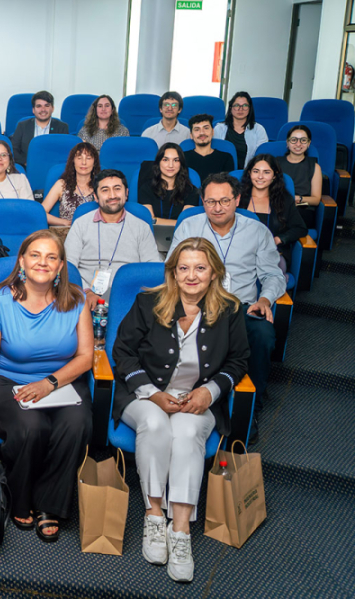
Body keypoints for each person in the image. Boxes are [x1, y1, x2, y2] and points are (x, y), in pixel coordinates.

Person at [112, 237, 249, 584]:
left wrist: (210, 391)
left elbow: (239, 361)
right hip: (143, 396)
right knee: (157, 425)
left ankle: (182, 530)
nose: (191, 276)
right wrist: (152, 393)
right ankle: (155, 516)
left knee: (187, 432)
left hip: (196, 399)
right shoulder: (148, 302)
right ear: (173, 272)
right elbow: (122, 352)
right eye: (183, 268)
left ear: (214, 273)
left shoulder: (231, 309)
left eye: (200, 268)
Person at [0, 230, 93, 542]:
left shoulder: (77, 301)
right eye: (35, 255)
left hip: (61, 380)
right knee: (31, 428)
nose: (42, 263)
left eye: (51, 257)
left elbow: (85, 357)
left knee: (76, 424)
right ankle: (20, 497)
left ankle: (49, 503)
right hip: (9, 383)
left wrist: (49, 383)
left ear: (61, 265)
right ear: (22, 260)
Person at [169, 172, 285, 437]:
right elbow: (171, 267)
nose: (217, 208)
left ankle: (249, 404)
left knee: (263, 334)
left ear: (237, 200)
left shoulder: (256, 231)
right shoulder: (189, 226)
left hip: (239, 306)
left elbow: (272, 275)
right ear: (202, 201)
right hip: (194, 302)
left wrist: (264, 299)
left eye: (224, 201)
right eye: (210, 202)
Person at [64, 169, 161, 308]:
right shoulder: (81, 224)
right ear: (96, 197)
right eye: (105, 190)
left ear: (126, 193)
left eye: (117, 189)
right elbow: (68, 267)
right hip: (84, 296)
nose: (112, 195)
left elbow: (151, 270)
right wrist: (86, 292)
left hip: (128, 296)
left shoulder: (141, 227)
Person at [238, 154, 307, 269]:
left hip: (272, 254)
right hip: (241, 252)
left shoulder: (284, 199)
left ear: (274, 176)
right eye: (256, 171)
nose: (260, 176)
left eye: (266, 172)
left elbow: (300, 228)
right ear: (249, 173)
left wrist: (278, 239)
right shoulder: (237, 198)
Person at [137, 143, 199, 226]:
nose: (170, 165)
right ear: (158, 163)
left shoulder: (191, 191)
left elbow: (186, 223)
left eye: (176, 160)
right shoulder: (146, 188)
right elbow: (149, 221)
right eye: (165, 160)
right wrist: (177, 222)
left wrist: (157, 220)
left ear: (181, 164)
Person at [41, 141, 100, 227]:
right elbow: (41, 213)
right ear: (73, 161)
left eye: (88, 158)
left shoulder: (101, 186)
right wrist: (63, 222)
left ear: (94, 162)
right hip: (66, 232)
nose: (84, 162)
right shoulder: (61, 184)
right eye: (79, 158)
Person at [278, 125, 322, 230]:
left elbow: (316, 199)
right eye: (294, 140)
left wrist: (299, 199)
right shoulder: (276, 163)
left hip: (302, 208)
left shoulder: (314, 166)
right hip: (279, 205)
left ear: (308, 143)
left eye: (303, 140)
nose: (298, 144)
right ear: (287, 143)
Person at [11, 91, 69, 168]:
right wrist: (27, 163)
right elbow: (13, 149)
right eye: (39, 106)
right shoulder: (22, 126)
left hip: (52, 168)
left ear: (53, 108)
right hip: (27, 169)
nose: (43, 109)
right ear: (33, 110)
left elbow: (64, 153)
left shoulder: (62, 127)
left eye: (47, 106)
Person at [213, 92, 268, 168]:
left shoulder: (258, 129)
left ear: (250, 108)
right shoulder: (219, 128)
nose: (240, 109)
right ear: (230, 108)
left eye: (245, 105)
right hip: (222, 173)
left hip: (248, 174)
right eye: (236, 105)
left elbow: (262, 156)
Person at [184, 114, 235, 181]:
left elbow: (228, 185)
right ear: (191, 135)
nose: (202, 133)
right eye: (197, 129)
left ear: (213, 132)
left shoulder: (226, 158)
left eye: (206, 128)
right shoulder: (182, 157)